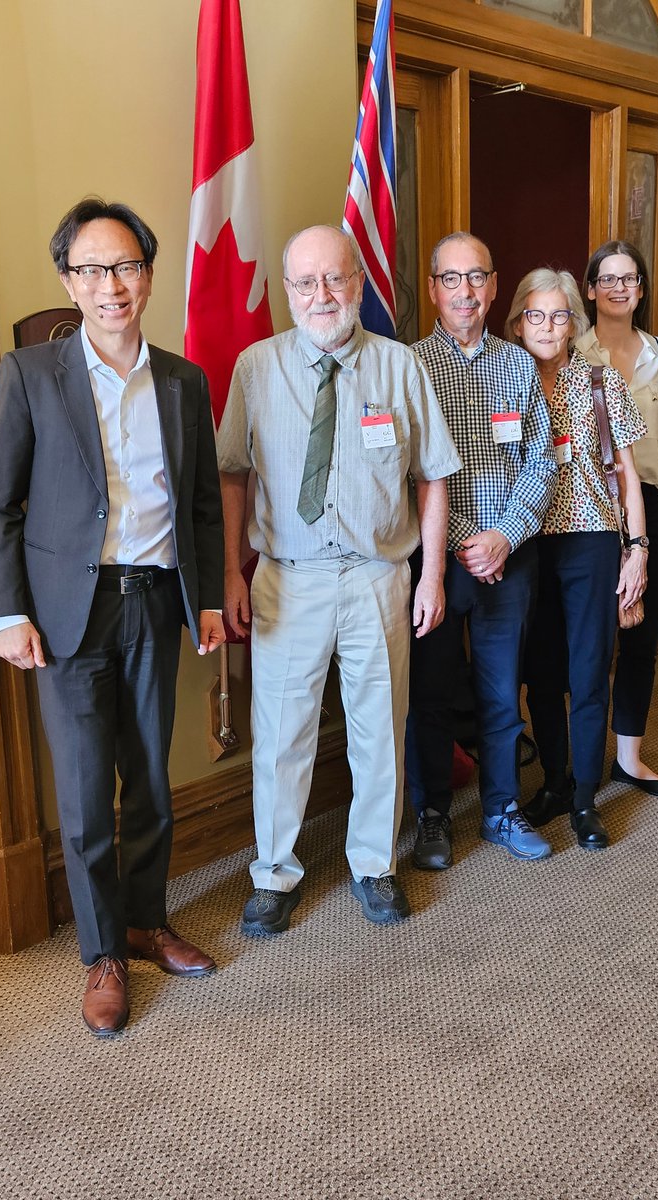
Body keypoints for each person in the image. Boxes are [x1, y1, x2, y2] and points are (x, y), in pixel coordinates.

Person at [0, 198, 226, 1037]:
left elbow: (200, 506)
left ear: (149, 275)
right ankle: (101, 955)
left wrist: (211, 599)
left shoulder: (184, 380)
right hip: (65, 615)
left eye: (125, 267)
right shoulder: (29, 376)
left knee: (151, 778)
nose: (111, 285)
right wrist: (9, 613)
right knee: (84, 794)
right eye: (91, 270)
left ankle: (146, 923)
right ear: (68, 282)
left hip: (154, 601)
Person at [217, 225, 461, 934]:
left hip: (378, 578)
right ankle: (273, 874)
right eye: (305, 283)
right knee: (282, 734)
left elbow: (434, 477)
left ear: (359, 284)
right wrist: (235, 570)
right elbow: (233, 472)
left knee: (379, 732)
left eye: (335, 280)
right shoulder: (256, 367)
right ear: (288, 291)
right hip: (285, 581)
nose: (321, 295)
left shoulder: (399, 367)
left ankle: (374, 866)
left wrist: (432, 574)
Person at [404, 233, 557, 870]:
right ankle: (433, 816)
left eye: (477, 278)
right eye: (451, 278)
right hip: (435, 564)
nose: (465, 291)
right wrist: (462, 538)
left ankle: (501, 809)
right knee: (431, 693)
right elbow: (403, 469)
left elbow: (540, 465)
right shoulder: (406, 367)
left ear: (495, 288)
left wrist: (503, 535)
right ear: (434, 289)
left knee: (500, 693)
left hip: (507, 558)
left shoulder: (520, 367)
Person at [505, 268, 647, 850]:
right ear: (517, 323)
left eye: (560, 315)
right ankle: (556, 782)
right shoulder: (503, 381)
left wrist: (636, 550)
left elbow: (628, 476)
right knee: (538, 673)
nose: (547, 326)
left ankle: (586, 796)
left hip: (589, 539)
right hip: (526, 542)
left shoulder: (599, 383)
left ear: (574, 323)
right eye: (536, 315)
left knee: (589, 670)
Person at [576, 240, 658, 795]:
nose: (620, 287)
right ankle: (579, 760)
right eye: (609, 278)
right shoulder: (573, 350)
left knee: (641, 635)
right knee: (593, 636)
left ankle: (629, 757)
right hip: (591, 506)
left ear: (640, 290)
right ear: (591, 287)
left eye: (630, 278)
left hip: (650, 500)